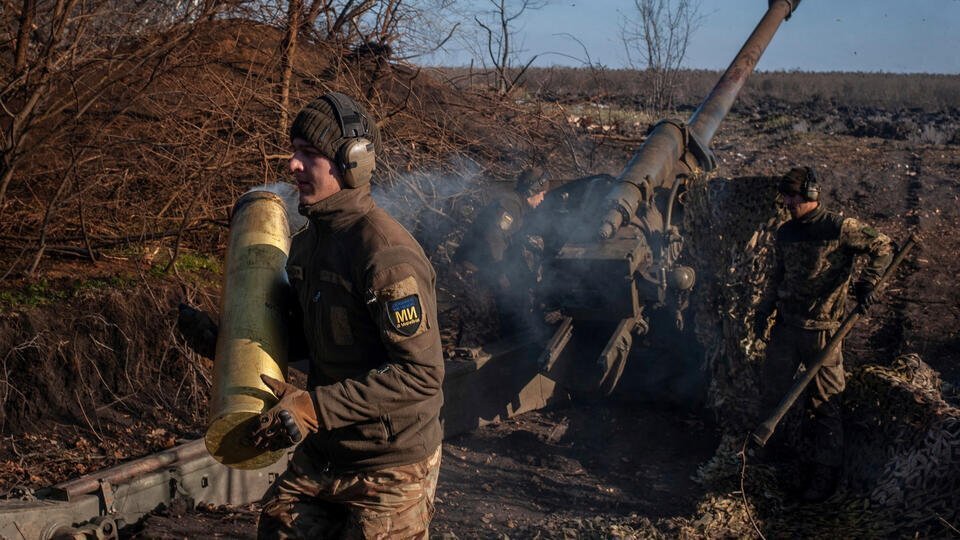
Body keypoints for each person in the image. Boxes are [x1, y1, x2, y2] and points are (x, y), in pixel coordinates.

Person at [180, 92, 444, 538]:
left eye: (309, 154)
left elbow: (420, 374)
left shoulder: (385, 257)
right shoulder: (307, 245)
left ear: (352, 163)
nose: (293, 165)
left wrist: (313, 408)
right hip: (327, 451)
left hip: (388, 464)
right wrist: (224, 342)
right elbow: (311, 340)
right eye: (294, 151)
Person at [755, 166, 892, 503]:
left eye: (793, 196)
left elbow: (884, 245)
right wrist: (764, 309)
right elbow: (778, 276)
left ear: (811, 194)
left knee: (826, 406)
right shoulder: (786, 232)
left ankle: (823, 478)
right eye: (785, 196)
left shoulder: (839, 227)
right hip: (787, 328)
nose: (787, 202)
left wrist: (868, 281)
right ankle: (770, 465)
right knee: (772, 394)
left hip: (824, 334)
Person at [453, 167, 549, 337]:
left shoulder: (517, 208)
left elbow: (510, 244)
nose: (543, 198)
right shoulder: (509, 205)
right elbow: (494, 237)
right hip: (473, 271)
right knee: (478, 332)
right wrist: (502, 274)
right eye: (542, 193)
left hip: (481, 271)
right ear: (532, 190)